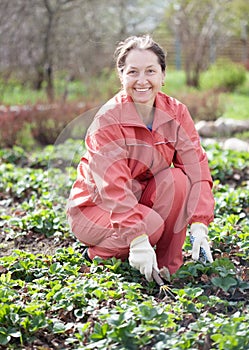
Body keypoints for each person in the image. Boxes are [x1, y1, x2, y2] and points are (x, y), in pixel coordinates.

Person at [67, 35, 215, 282]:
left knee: (178, 180)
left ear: (163, 76)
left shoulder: (176, 112)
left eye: (150, 71)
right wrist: (137, 239)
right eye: (133, 72)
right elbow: (112, 188)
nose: (142, 80)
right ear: (122, 76)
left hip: (140, 199)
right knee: (150, 227)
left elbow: (196, 167)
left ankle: (170, 268)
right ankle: (99, 253)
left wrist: (200, 223)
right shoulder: (107, 120)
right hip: (96, 206)